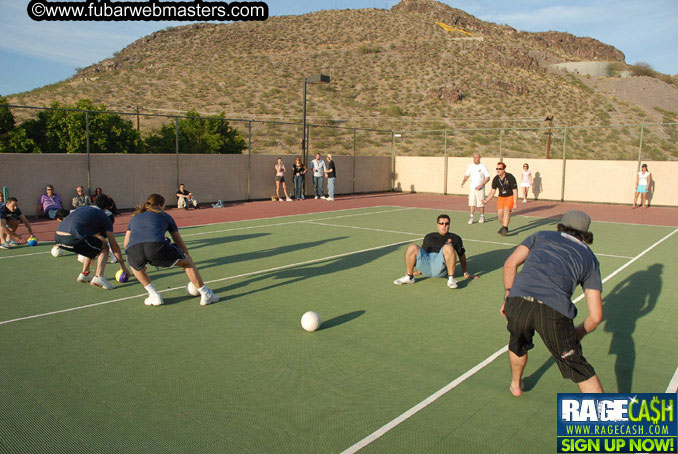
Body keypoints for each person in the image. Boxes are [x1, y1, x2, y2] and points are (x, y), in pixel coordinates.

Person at [501, 210, 603, 396]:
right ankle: (604, 419)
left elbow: (510, 264)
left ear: (562, 224)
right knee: (578, 367)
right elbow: (596, 317)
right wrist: (575, 335)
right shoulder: (590, 258)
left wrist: (508, 295)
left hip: (518, 302)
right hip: (553, 311)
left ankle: (516, 385)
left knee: (517, 343)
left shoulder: (541, 235)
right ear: (585, 233)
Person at [124, 194, 218, 306]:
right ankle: (205, 293)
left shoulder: (134, 217)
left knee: (133, 263)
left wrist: (138, 262)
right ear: (160, 205)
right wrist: (187, 258)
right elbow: (178, 240)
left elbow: (126, 244)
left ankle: (154, 295)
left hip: (134, 250)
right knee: (188, 263)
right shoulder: (164, 216)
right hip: (156, 247)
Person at [54, 194, 128, 290]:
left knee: (93, 244)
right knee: (104, 246)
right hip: (72, 238)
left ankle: (85, 273)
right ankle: (99, 277)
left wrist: (91, 252)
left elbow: (91, 236)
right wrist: (123, 266)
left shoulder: (84, 209)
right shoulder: (104, 216)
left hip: (58, 238)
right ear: (107, 206)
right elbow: (114, 245)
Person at [393, 214, 478, 289]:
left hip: (440, 266)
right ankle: (409, 277)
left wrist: (465, 273)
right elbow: (422, 254)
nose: (444, 226)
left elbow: (461, 255)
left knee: (448, 247)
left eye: (446, 223)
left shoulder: (455, 238)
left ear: (449, 225)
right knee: (412, 247)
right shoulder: (429, 236)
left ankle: (451, 279)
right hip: (427, 265)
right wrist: (419, 271)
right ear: (437, 224)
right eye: (441, 223)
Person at [483, 162, 518, 236]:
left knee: (506, 210)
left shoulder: (510, 177)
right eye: (497, 169)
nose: (498, 170)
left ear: (504, 169)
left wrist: (515, 203)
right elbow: (493, 191)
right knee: (499, 215)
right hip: (501, 198)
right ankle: (504, 227)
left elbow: (515, 191)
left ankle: (504, 228)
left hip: (509, 197)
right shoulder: (496, 179)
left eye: (500, 169)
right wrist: (487, 200)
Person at [460, 153, 490, 224]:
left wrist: (481, 185)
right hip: (472, 188)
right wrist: (463, 182)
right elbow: (467, 175)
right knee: (471, 203)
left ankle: (482, 216)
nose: (475, 159)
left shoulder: (483, 167)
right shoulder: (470, 167)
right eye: (474, 157)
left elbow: (488, 178)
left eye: (476, 157)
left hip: (480, 189)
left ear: (479, 158)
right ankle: (471, 217)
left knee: (480, 203)